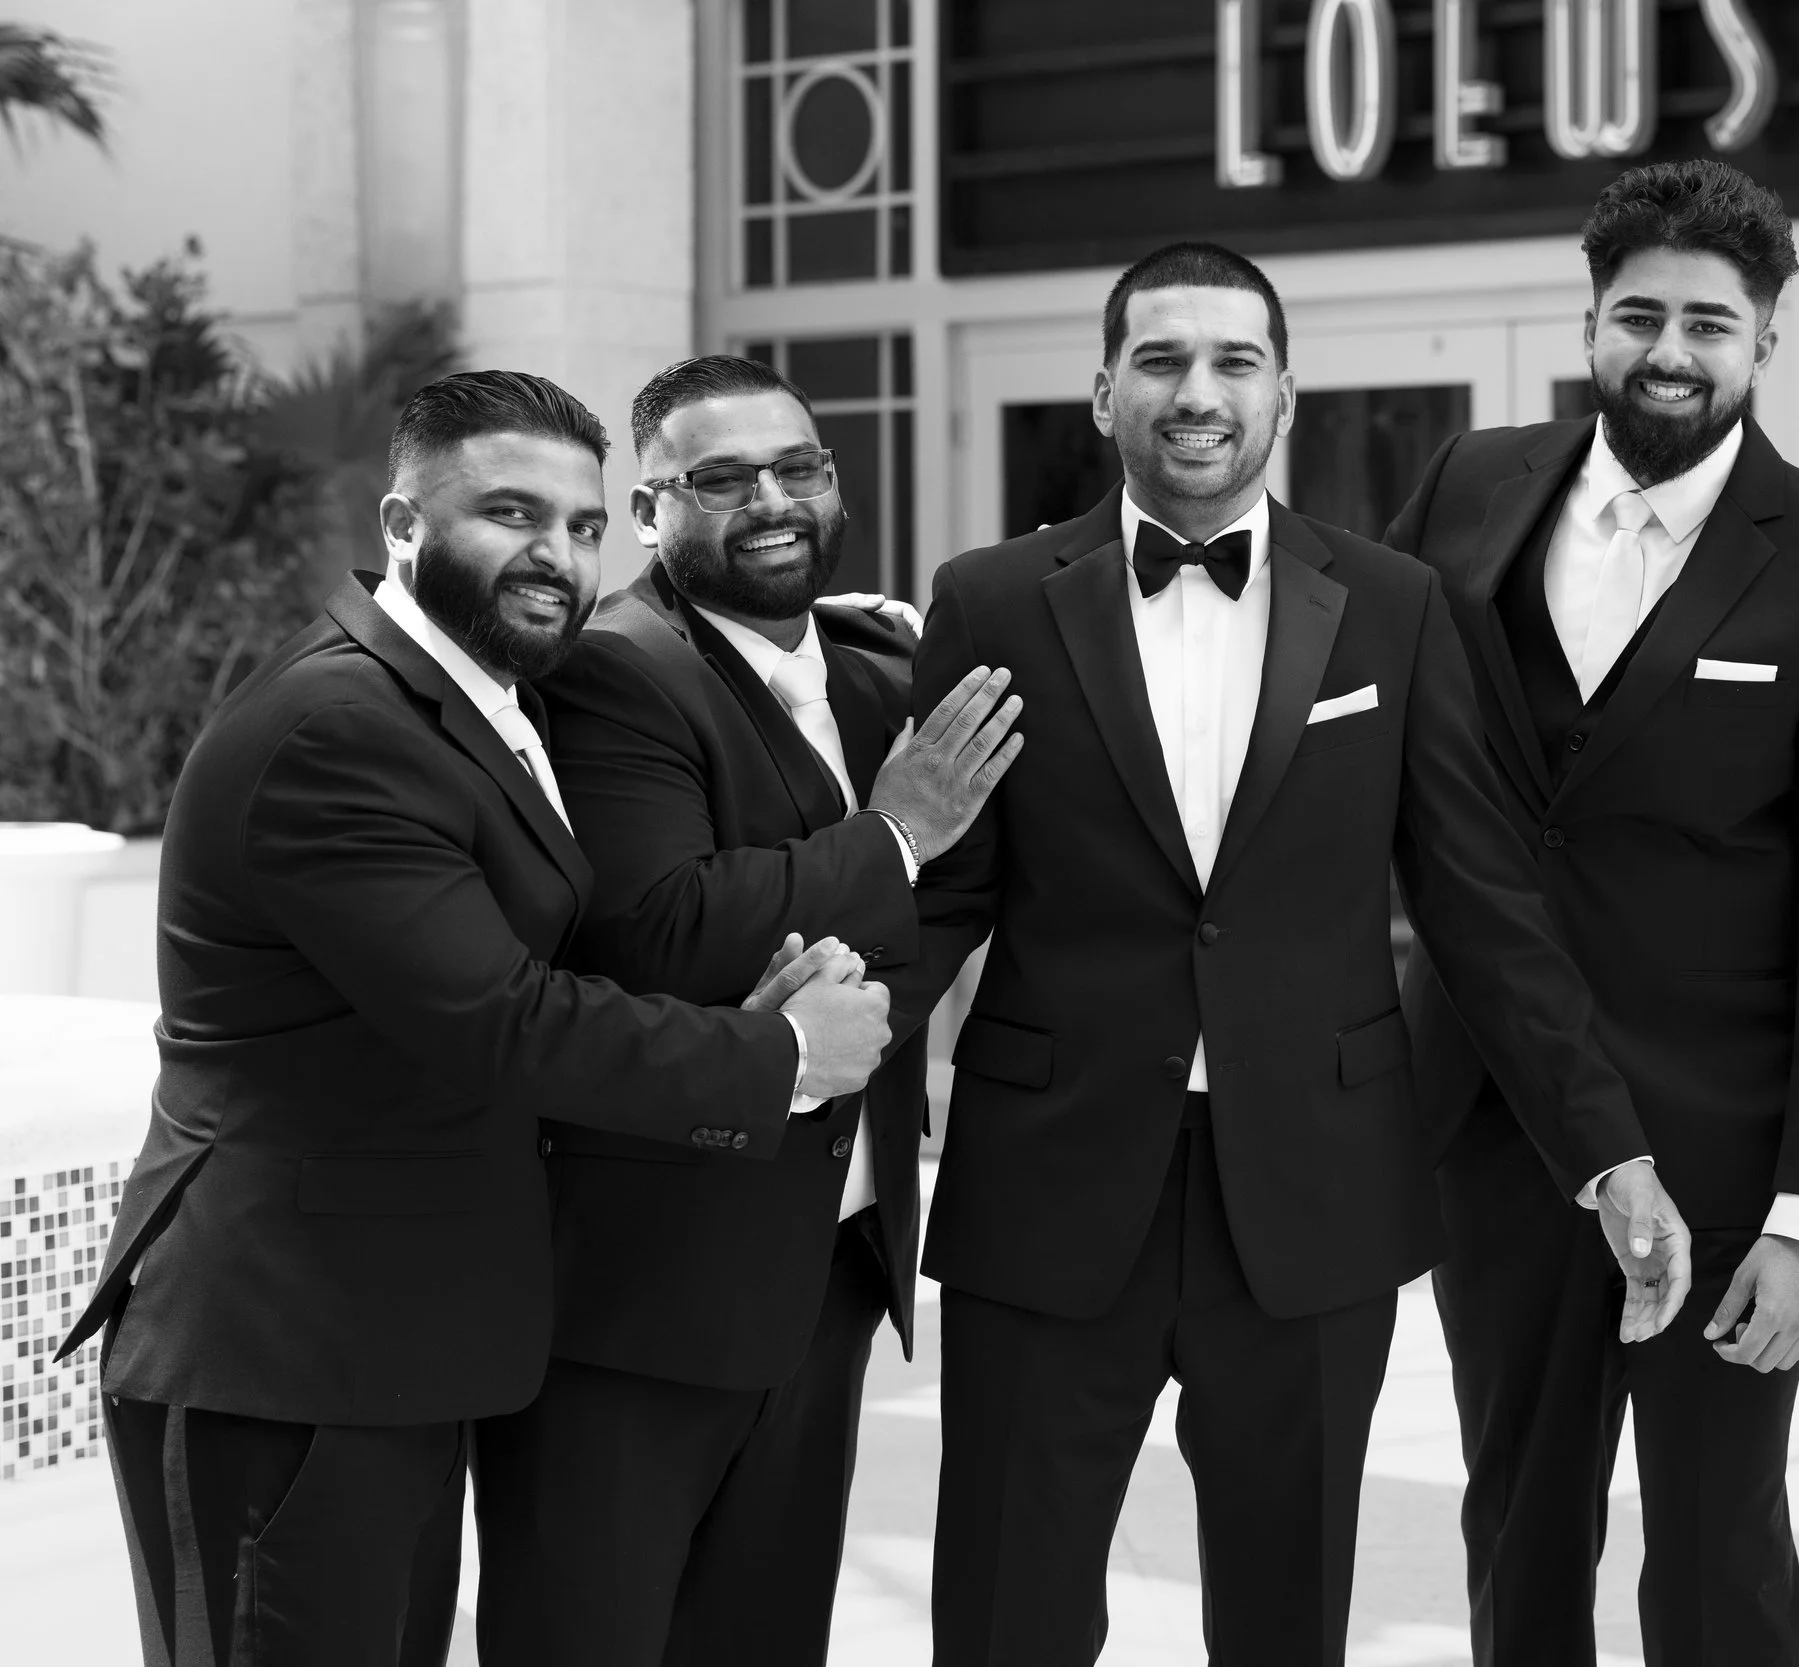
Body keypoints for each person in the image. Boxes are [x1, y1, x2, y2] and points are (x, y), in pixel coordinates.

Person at [888, 241, 1691, 1667]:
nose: (1198, 393)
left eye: (1234, 362)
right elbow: (945, 890)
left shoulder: (1392, 601)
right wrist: (789, 1042)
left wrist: (1606, 1147)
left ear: (1285, 393)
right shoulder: (990, 598)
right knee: (1009, 1613)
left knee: (1287, 1616)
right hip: (1051, 1183)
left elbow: (1477, 903)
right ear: (1103, 393)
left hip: (1316, 1194)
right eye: (1161, 360)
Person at [57, 370, 891, 1667]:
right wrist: (782, 1056)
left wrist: (834, 630)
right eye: (510, 513)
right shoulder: (336, 728)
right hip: (284, 1348)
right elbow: (502, 1019)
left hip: (407, 1340)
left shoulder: (474, 700)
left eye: (579, 525)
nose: (555, 554)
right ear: (403, 523)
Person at [1380, 160, 1799, 1666]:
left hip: (1725, 1151)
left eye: (1709, 323)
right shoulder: (1469, 486)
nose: (1669, 351)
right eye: (1639, 316)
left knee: (1715, 1543)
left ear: (1766, 341)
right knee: (1515, 1516)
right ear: (1591, 323)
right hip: (1496, 1117)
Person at [469, 355, 1020, 1666]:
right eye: (721, 478)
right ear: (648, 508)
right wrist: (893, 832)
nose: (770, 500)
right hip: (644, 1284)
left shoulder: (884, 670)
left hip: (829, 1266)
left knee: (767, 1638)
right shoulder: (611, 667)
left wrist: (847, 1014)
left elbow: (962, 890)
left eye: (797, 468)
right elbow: (661, 922)